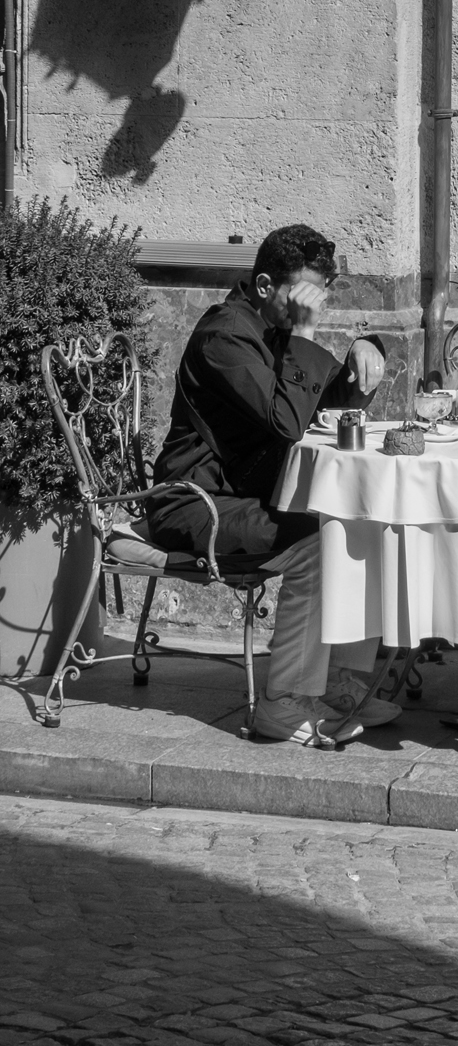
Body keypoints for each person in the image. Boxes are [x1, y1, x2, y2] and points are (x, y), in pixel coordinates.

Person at [147, 224, 401, 746]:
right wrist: (305, 333)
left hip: (243, 494)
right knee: (319, 541)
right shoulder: (224, 337)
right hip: (193, 503)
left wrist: (364, 351)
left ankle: (337, 683)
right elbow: (286, 420)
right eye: (302, 294)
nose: (310, 307)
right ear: (264, 285)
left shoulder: (272, 326)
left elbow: (323, 397)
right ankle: (282, 703)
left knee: (364, 519)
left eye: (318, 296)